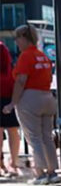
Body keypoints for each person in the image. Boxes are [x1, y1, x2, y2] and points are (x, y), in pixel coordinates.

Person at [2, 25, 61, 185]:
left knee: (34, 138)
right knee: (47, 137)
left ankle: (40, 174)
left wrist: (13, 103)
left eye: (17, 38)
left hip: (30, 98)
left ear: (23, 37)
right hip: (47, 97)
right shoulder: (42, 55)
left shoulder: (25, 56)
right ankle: (52, 172)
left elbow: (21, 80)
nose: (16, 41)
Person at [0, 41, 21, 177]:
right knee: (13, 131)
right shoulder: (12, 68)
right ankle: (14, 163)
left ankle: (1, 165)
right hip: (10, 100)